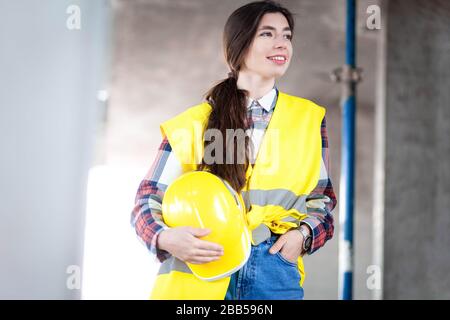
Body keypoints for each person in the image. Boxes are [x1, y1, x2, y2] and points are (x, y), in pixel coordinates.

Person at [131, 0, 336, 300]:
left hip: (274, 272)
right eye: (267, 34)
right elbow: (146, 201)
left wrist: (301, 237)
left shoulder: (309, 119)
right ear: (239, 44)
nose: (281, 43)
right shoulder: (194, 123)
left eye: (287, 36)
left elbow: (323, 202)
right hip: (200, 273)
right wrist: (165, 238)